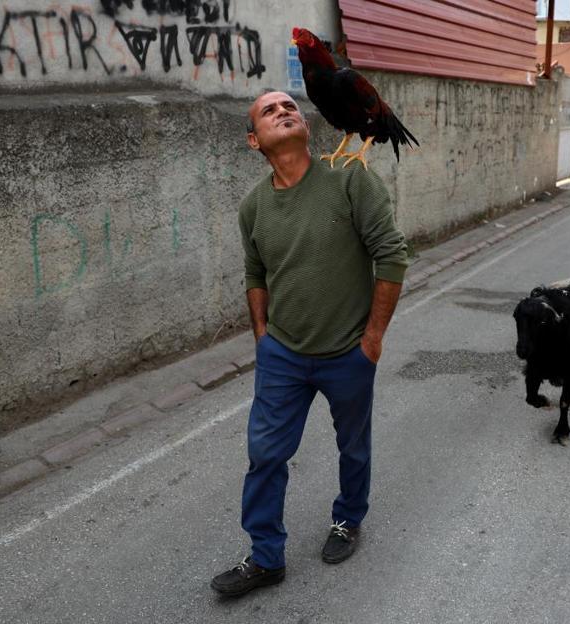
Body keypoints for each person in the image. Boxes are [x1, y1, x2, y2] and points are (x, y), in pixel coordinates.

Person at [210, 91, 408, 597]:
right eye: (269, 110)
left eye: (289, 105)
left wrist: (373, 339)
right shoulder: (253, 206)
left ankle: (347, 519)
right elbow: (255, 273)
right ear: (255, 141)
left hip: (348, 353)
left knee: (353, 446)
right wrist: (262, 337)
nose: (283, 109)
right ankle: (265, 557)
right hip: (283, 354)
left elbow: (391, 256)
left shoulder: (349, 180)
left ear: (305, 124)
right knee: (265, 455)